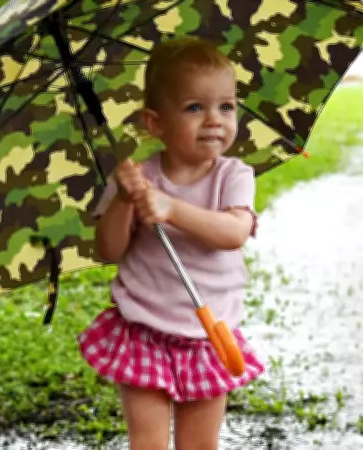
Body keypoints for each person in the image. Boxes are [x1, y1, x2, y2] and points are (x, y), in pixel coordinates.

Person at [77, 36, 265, 450]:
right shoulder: (136, 178)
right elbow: (108, 250)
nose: (215, 119)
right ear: (156, 122)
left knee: (199, 445)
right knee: (147, 445)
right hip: (144, 329)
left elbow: (233, 233)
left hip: (208, 335)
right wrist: (125, 200)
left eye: (226, 106)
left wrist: (172, 208)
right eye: (195, 107)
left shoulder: (232, 175)